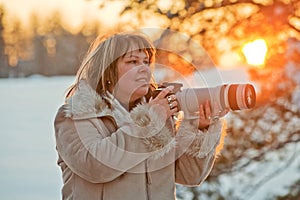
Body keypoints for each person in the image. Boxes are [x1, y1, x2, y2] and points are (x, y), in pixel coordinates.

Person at [54, 32, 228, 200]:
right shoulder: (75, 115)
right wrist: (148, 122)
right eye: (133, 61)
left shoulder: (157, 113)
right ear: (107, 70)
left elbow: (189, 176)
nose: (144, 68)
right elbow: (95, 168)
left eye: (146, 62)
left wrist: (198, 129)